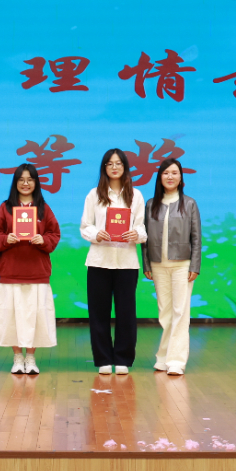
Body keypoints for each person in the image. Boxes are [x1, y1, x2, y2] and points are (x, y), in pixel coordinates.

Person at [0, 164, 61, 374]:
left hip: (37, 272)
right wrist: (6, 238)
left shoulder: (44, 209)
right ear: (15, 182)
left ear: (36, 182)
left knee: (35, 316)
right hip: (11, 272)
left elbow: (54, 234)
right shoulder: (5, 208)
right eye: (21, 179)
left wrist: (43, 239)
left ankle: (31, 358)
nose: (25, 183)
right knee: (12, 317)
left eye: (30, 179)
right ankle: (18, 357)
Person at [79, 148, 146, 375]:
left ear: (125, 167)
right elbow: (85, 226)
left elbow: (142, 227)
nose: (114, 167)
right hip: (99, 261)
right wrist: (96, 234)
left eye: (118, 163)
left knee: (126, 313)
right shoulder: (94, 195)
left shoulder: (136, 196)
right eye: (110, 164)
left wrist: (136, 234)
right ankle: (104, 359)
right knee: (99, 312)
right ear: (104, 168)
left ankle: (123, 358)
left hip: (127, 262)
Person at [141, 158, 201, 375]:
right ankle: (163, 356)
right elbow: (144, 238)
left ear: (181, 177)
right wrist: (146, 263)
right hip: (158, 265)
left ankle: (176, 361)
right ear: (159, 177)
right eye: (166, 173)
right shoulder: (151, 204)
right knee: (165, 313)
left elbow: (196, 238)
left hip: (182, 265)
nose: (170, 176)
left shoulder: (190, 204)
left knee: (180, 312)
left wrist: (195, 265)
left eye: (174, 173)